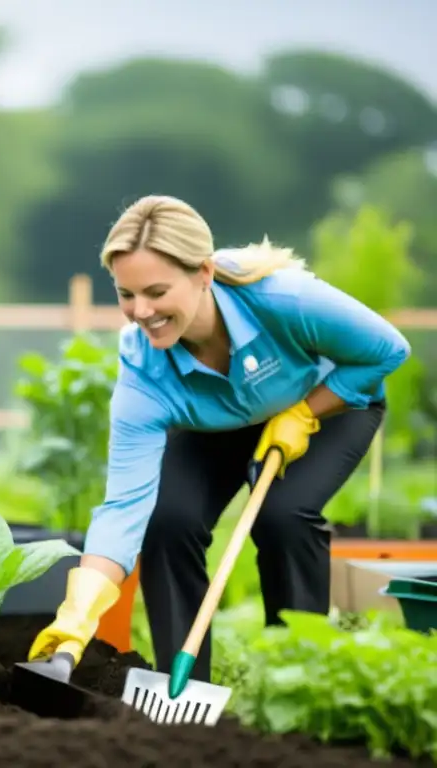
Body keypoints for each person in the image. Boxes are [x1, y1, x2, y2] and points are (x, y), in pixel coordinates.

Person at [27, 194, 411, 682]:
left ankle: (299, 674)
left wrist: (304, 412)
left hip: (329, 402)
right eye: (126, 294)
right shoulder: (143, 368)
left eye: (156, 291)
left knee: (283, 515)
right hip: (219, 423)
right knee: (166, 520)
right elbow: (124, 505)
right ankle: (181, 688)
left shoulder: (281, 298)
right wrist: (78, 612)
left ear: (203, 273)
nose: (140, 311)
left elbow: (386, 351)